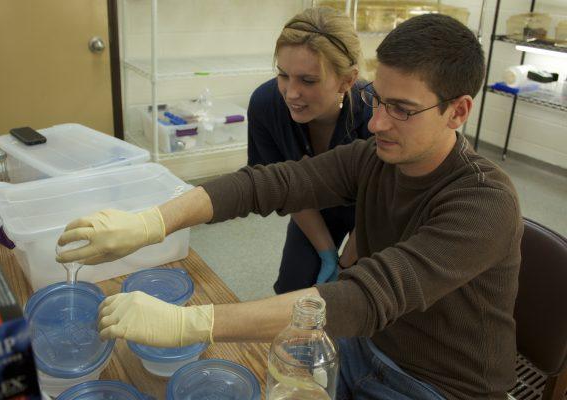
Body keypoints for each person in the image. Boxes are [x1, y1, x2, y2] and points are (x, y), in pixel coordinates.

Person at [57, 13, 523, 400]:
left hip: (440, 385)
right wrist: (152, 221)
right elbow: (273, 183)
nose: (378, 121)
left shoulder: (484, 202)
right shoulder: (376, 156)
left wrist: (189, 323)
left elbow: (364, 297)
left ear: (458, 111)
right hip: (368, 349)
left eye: (402, 109)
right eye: (378, 101)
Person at [247, 7, 372, 293]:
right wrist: (327, 252)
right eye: (283, 75)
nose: (291, 93)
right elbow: (286, 190)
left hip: (373, 216)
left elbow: (379, 210)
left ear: (347, 80)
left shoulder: (376, 115)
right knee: (292, 289)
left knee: (356, 299)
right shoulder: (266, 105)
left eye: (308, 80)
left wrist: (344, 265)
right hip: (311, 207)